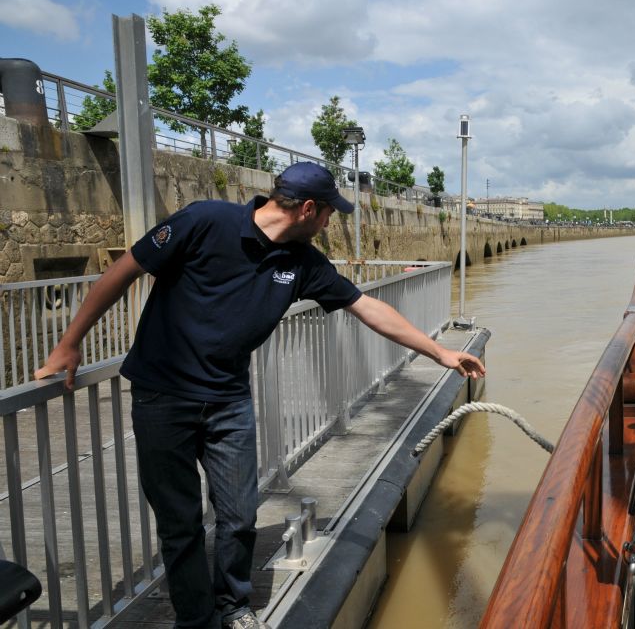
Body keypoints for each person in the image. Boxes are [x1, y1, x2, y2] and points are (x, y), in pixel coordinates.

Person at [33, 162, 485, 629]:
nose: (332, 223)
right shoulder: (204, 221)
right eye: (330, 213)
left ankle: (233, 606)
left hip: (229, 400)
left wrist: (438, 351)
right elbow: (123, 271)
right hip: (162, 396)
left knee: (240, 514)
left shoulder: (302, 262)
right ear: (309, 209)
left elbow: (366, 307)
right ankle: (196, 619)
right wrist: (69, 345)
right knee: (180, 522)